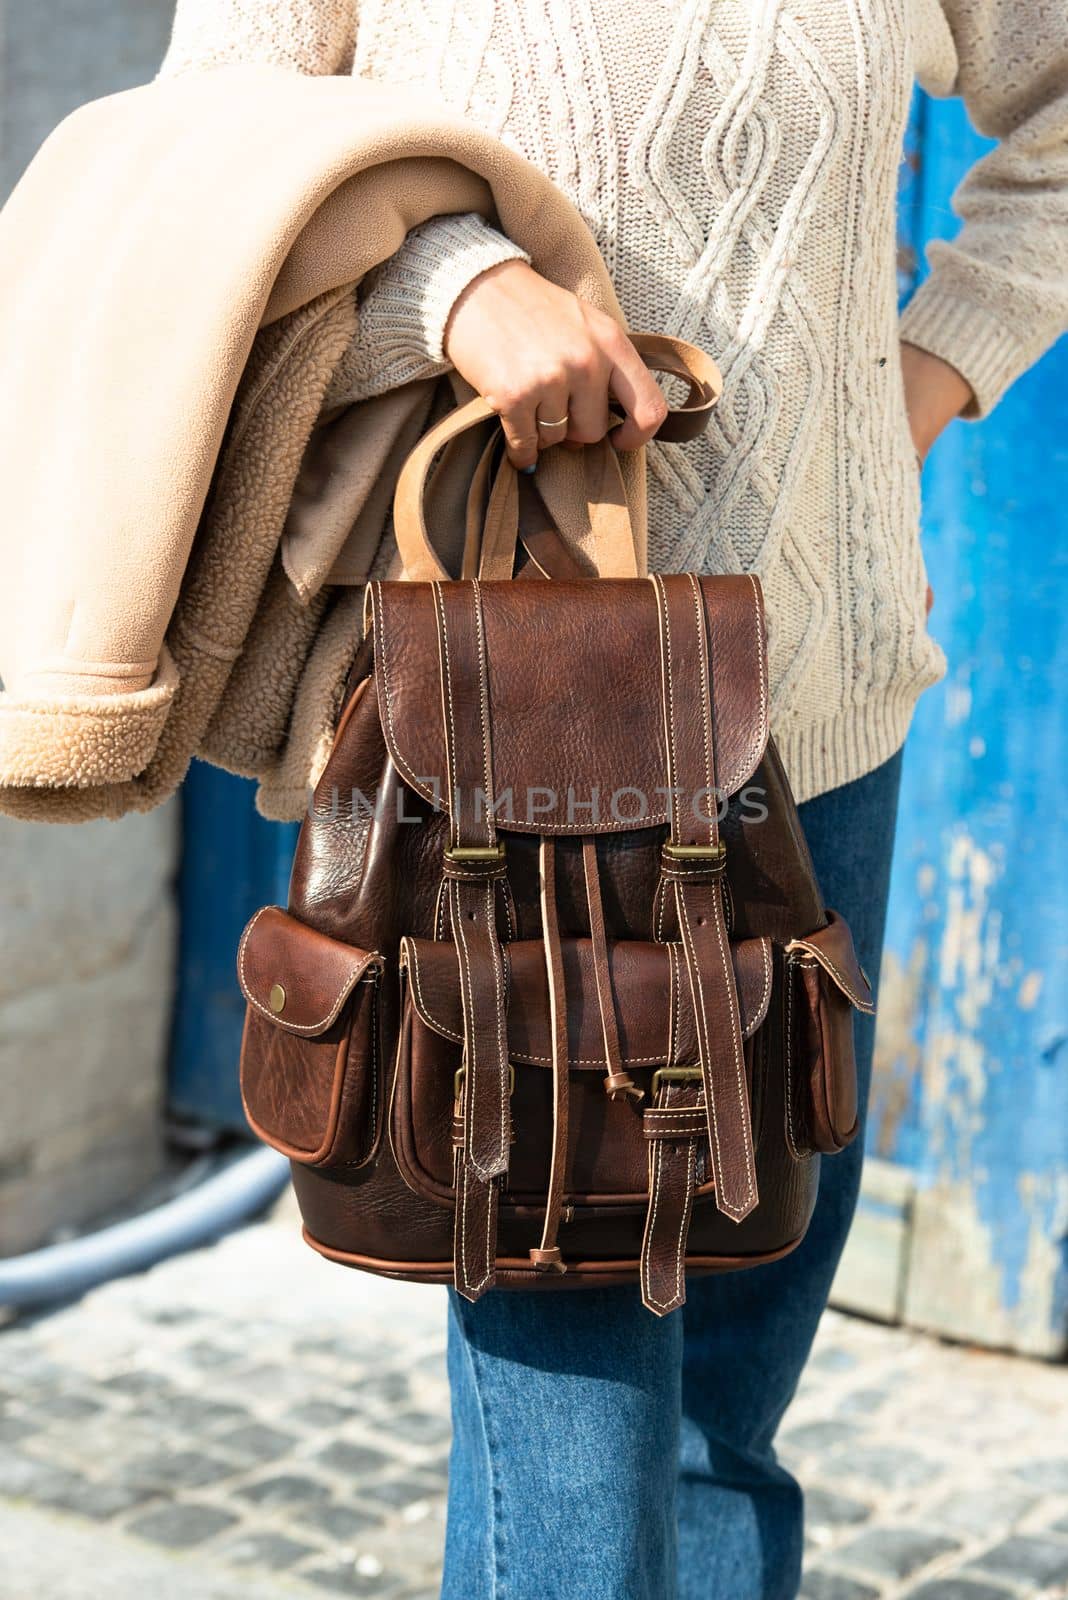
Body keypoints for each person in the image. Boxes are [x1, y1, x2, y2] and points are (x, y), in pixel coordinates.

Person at [160, 6, 1068, 1597]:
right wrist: (458, 286)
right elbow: (210, 141)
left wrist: (920, 383)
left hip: (816, 720)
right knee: (574, 1450)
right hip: (507, 757)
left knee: (729, 1410)